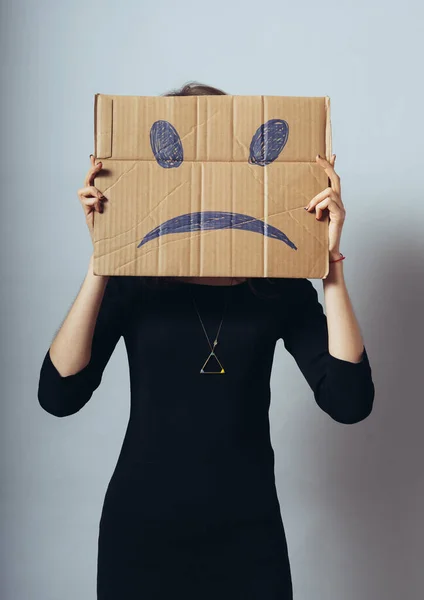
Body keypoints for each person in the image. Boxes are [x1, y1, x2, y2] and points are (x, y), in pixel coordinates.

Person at [37, 82, 375, 600]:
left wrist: (327, 264)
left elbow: (349, 402)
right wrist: (106, 255)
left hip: (248, 536)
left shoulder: (276, 285)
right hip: (141, 535)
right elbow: (59, 395)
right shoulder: (135, 282)